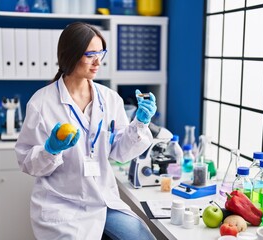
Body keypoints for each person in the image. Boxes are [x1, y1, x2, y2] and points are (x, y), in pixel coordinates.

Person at [15, 22, 157, 240]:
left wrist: (140, 123)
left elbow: (119, 153)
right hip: (61, 205)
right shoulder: (42, 103)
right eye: (91, 54)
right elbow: (27, 162)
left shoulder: (110, 98)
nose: (98, 62)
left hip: (102, 200)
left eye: (101, 53)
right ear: (71, 55)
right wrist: (50, 150)